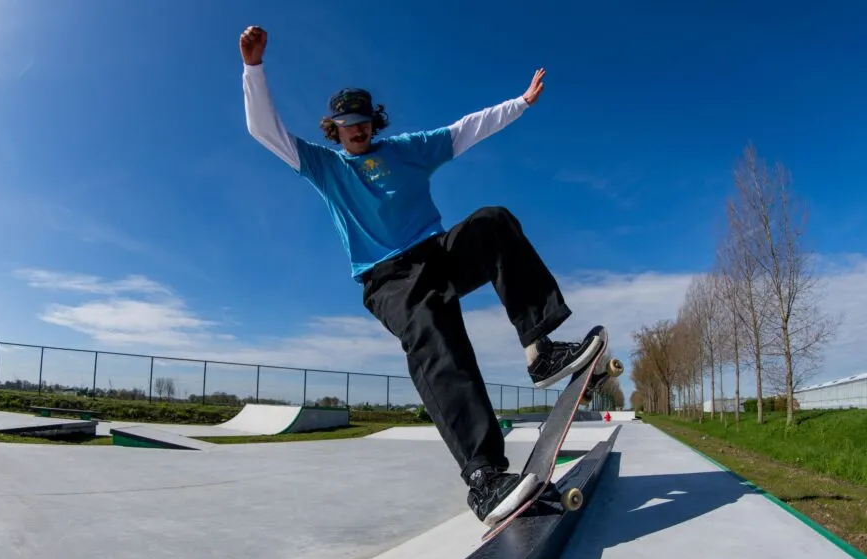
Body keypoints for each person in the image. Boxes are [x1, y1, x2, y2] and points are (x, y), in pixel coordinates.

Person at [239, 25, 604, 527]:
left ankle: (539, 350)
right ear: (335, 129)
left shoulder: (407, 149)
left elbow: (466, 129)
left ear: (374, 122)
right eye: (348, 125)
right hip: (388, 279)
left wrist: (520, 103)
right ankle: (485, 477)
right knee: (436, 337)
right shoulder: (325, 167)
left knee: (493, 223)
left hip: (436, 254)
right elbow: (265, 131)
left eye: (364, 122)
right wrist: (253, 68)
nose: (357, 131)